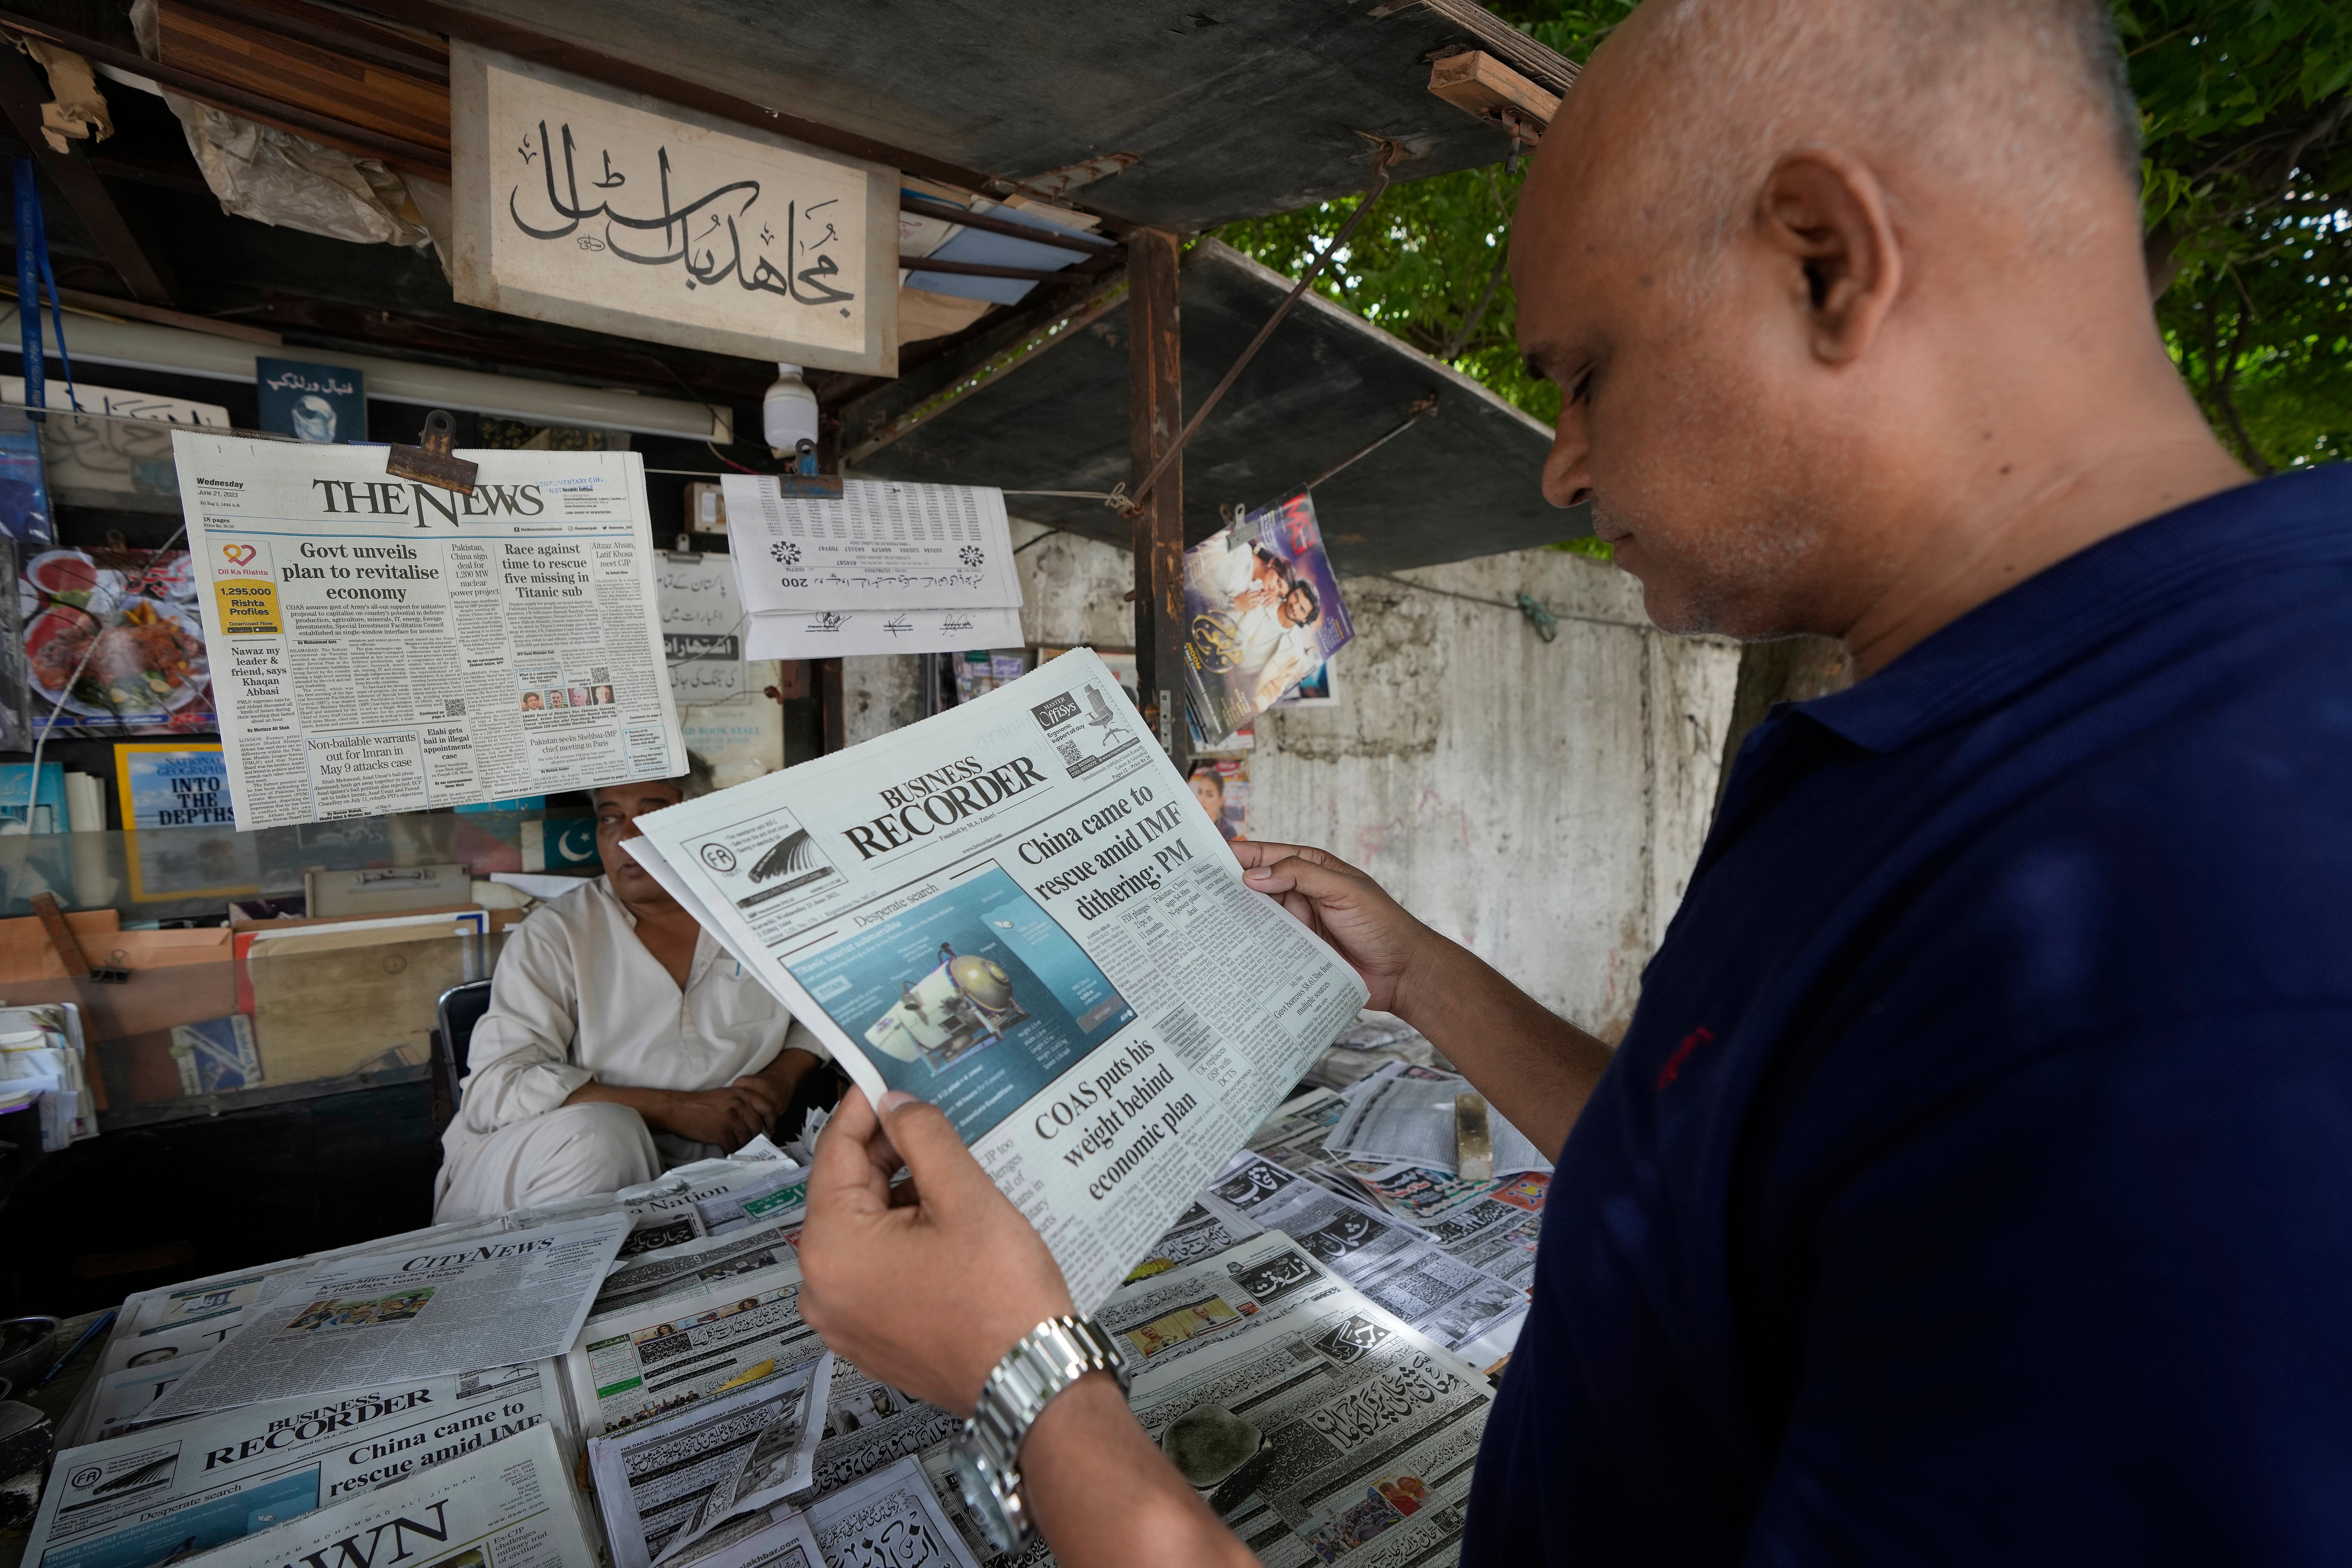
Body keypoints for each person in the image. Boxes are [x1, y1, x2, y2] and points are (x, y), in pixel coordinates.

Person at [793, 0, 2352, 1562]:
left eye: (1586, 372)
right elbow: (1740, 1191)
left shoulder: (2189, 944)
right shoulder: (1977, 733)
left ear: (1825, 259)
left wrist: (1031, 1377)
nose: (1560, 462)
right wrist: (1426, 977)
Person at [434, 758, 832, 1221]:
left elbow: (833, 1001)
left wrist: (782, 1078)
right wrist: (671, 1109)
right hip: (553, 1173)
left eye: (651, 813)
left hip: (716, 1174)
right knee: (603, 1138)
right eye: (610, 818)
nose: (625, 838)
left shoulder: (760, 910)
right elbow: (494, 1091)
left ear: (694, 820)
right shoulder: (558, 933)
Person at [1187, 763, 1240, 842]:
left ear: (1220, 801)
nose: (1202, 800)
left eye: (1210, 795)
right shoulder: (1190, 823)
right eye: (1200, 793)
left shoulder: (1228, 831)